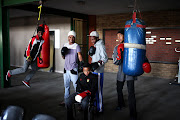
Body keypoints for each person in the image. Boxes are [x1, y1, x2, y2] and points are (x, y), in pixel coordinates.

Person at [112, 29, 137, 120]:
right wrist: (119, 54)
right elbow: (115, 62)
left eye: (120, 35)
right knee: (119, 89)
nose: (118, 38)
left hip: (130, 73)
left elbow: (138, 56)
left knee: (131, 93)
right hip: (121, 72)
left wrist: (144, 62)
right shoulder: (116, 47)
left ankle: (133, 114)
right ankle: (120, 104)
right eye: (117, 36)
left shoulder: (131, 46)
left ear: (125, 36)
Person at [60, 30, 84, 106]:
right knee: (66, 86)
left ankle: (80, 102)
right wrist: (63, 53)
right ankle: (66, 101)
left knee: (76, 86)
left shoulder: (76, 46)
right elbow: (63, 57)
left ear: (74, 38)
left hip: (73, 68)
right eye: (70, 37)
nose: (71, 38)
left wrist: (81, 63)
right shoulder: (65, 45)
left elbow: (79, 55)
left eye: (73, 37)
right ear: (68, 37)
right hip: (66, 69)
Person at [88, 31, 108, 112]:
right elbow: (94, 56)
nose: (92, 40)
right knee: (94, 89)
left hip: (99, 71)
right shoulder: (95, 45)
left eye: (93, 39)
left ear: (97, 38)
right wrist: (90, 53)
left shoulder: (101, 45)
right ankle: (95, 106)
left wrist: (98, 64)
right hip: (94, 70)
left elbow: (105, 58)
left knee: (99, 90)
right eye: (91, 39)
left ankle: (100, 109)